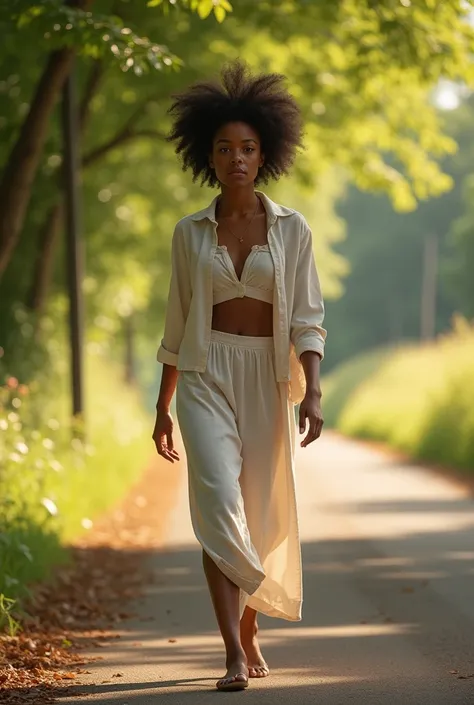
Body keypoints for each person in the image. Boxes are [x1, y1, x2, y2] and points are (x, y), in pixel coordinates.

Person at [152, 61, 326, 692]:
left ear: (265, 155)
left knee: (261, 514)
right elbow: (176, 323)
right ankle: (230, 649)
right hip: (204, 371)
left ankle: (250, 625)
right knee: (218, 504)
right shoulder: (189, 233)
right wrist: (163, 403)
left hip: (266, 377)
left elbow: (308, 317)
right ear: (209, 156)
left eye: (247, 148)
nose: (236, 158)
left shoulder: (293, 229)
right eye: (224, 148)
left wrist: (312, 392)